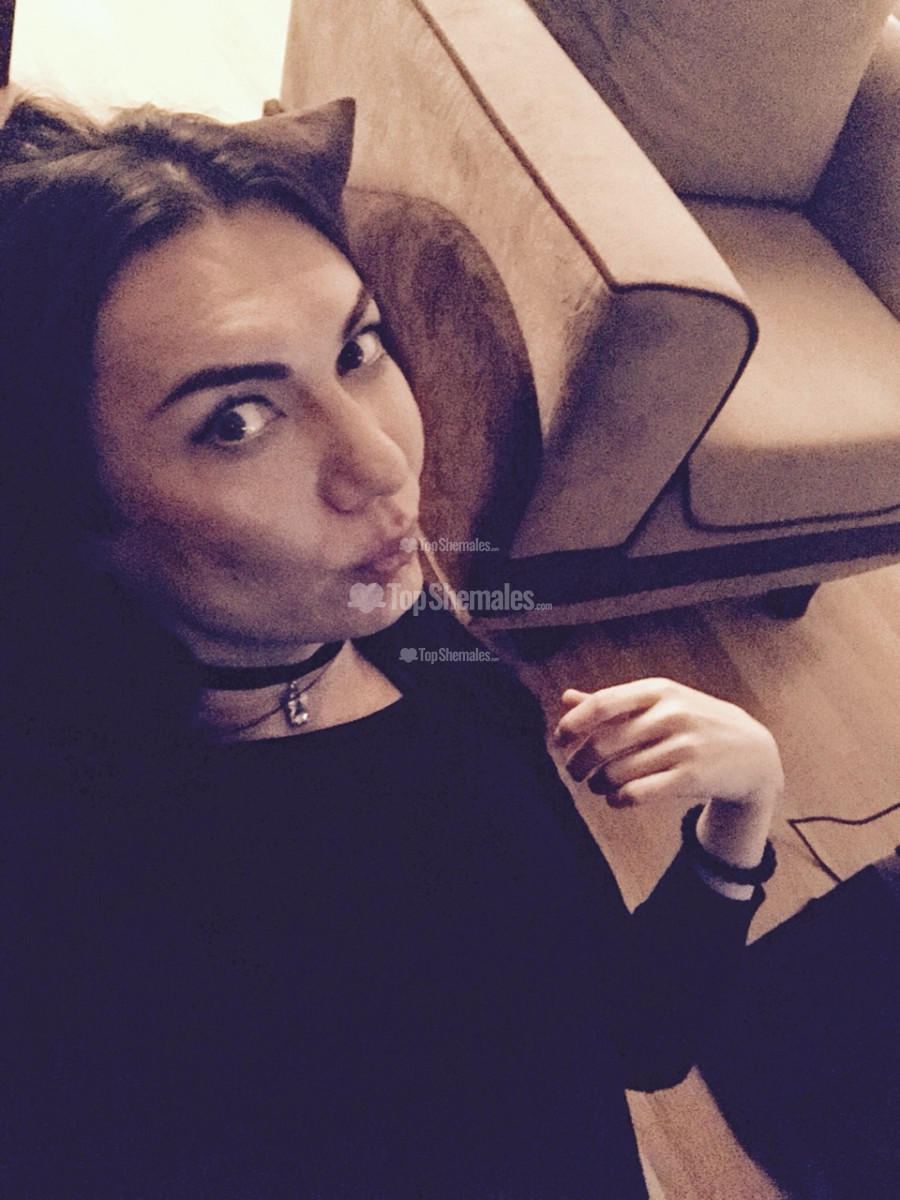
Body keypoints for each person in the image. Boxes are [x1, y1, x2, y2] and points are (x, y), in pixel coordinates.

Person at [0, 93, 783, 1199]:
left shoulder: (404, 633)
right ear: (67, 513)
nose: (381, 462)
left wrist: (739, 820)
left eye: (358, 349)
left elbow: (636, 1037)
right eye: (236, 419)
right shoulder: (72, 929)